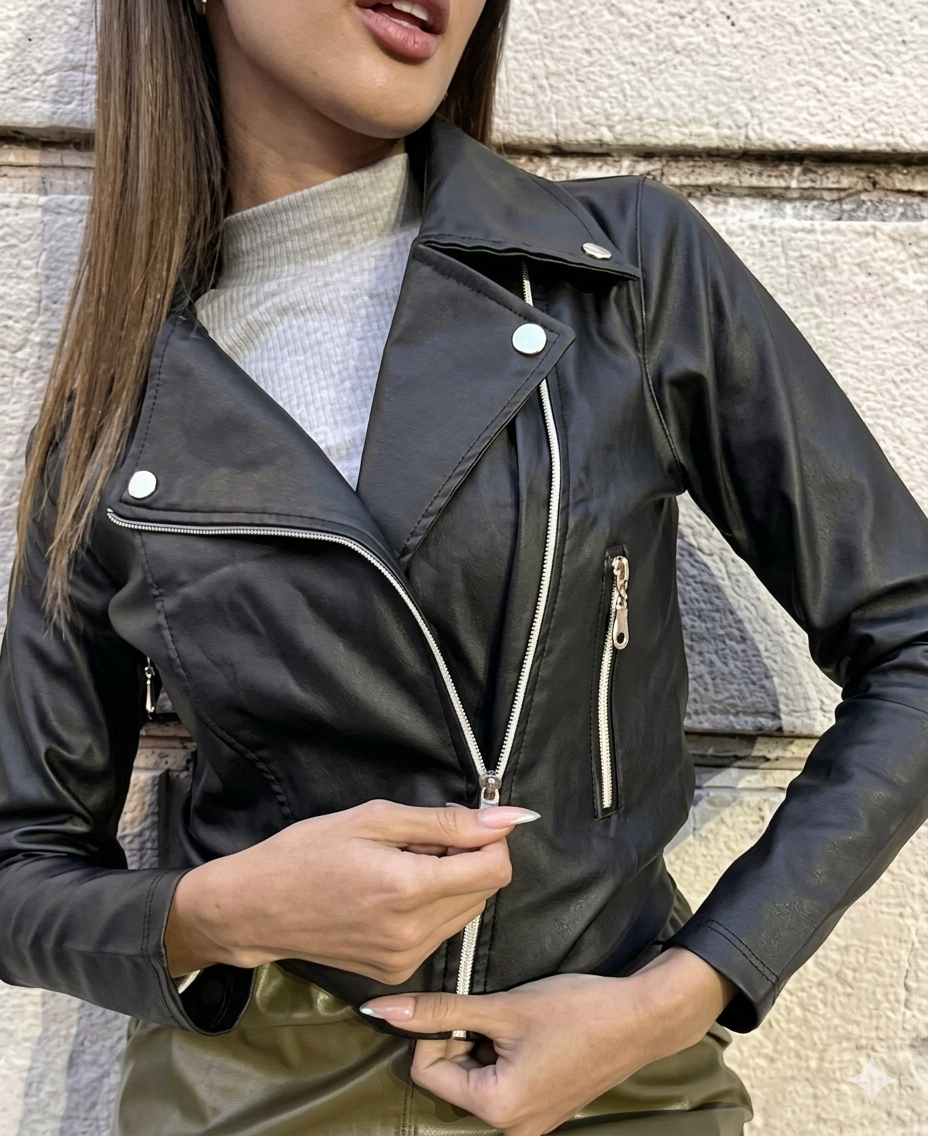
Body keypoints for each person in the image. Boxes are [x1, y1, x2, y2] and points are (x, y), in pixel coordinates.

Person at [0, 0, 925, 1132]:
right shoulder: (117, 414)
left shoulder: (617, 274)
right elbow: (19, 862)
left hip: (617, 1088)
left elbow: (913, 642)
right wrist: (221, 910)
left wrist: (680, 994)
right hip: (249, 1095)